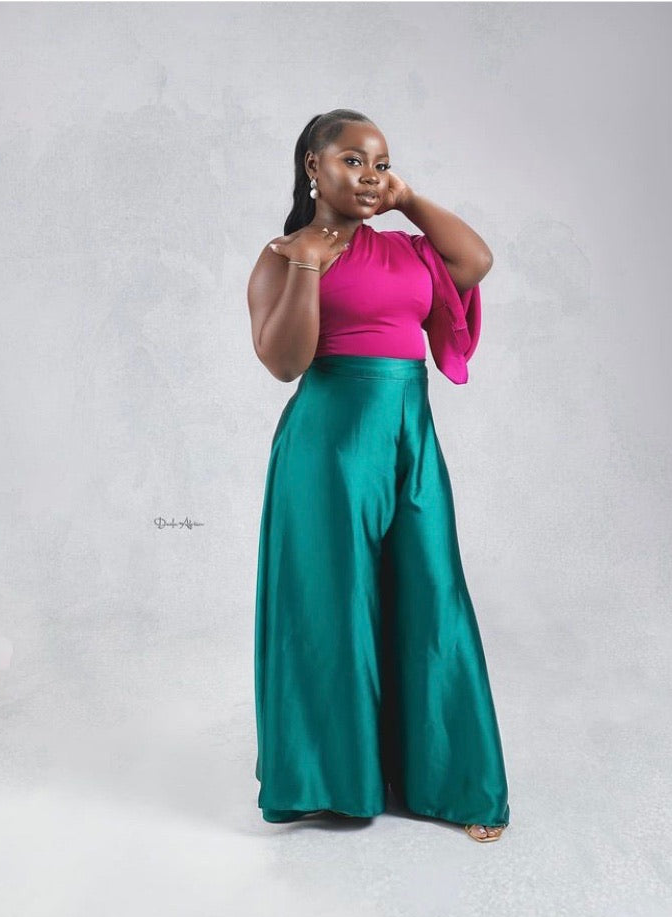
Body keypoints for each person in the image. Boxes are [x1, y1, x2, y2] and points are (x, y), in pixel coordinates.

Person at [247, 109, 510, 843]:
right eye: (351, 161)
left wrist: (409, 197)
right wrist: (305, 261)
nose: (367, 175)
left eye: (378, 162)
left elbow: (476, 261)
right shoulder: (282, 253)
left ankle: (456, 779)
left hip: (410, 433)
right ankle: (333, 781)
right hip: (328, 445)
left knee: (434, 592)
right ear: (312, 167)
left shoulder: (408, 250)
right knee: (333, 605)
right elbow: (285, 361)